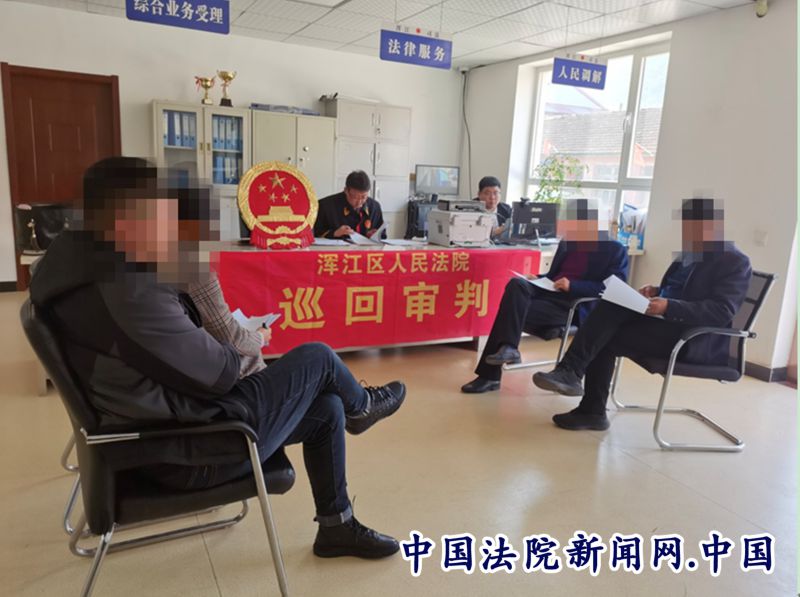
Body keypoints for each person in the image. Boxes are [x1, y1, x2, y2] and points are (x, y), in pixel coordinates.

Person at [29, 157, 406, 559]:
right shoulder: (128, 289)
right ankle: (361, 408)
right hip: (187, 449)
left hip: (150, 422)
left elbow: (159, 348)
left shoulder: (68, 261)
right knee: (319, 358)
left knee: (328, 407)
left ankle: (336, 526)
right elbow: (221, 374)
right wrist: (213, 315)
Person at [533, 198, 751, 432]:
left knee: (604, 331)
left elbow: (721, 311)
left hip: (692, 339)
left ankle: (579, 387)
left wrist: (668, 306)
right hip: (667, 325)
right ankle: (582, 394)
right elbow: (683, 290)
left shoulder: (735, 261)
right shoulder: (690, 253)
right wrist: (658, 291)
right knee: (610, 308)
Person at [462, 198, 628, 394]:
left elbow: (613, 288)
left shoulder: (614, 249)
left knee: (509, 312)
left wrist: (573, 286)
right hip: (549, 294)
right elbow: (553, 276)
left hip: (572, 305)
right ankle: (509, 348)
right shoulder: (568, 243)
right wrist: (538, 278)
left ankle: (490, 375)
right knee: (517, 284)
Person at [314, 170, 385, 239]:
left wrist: (375, 235)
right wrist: (334, 233)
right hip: (336, 247)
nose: (359, 202)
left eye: (363, 197)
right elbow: (314, 233)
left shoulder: (374, 207)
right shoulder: (325, 206)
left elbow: (382, 235)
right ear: (346, 191)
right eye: (355, 197)